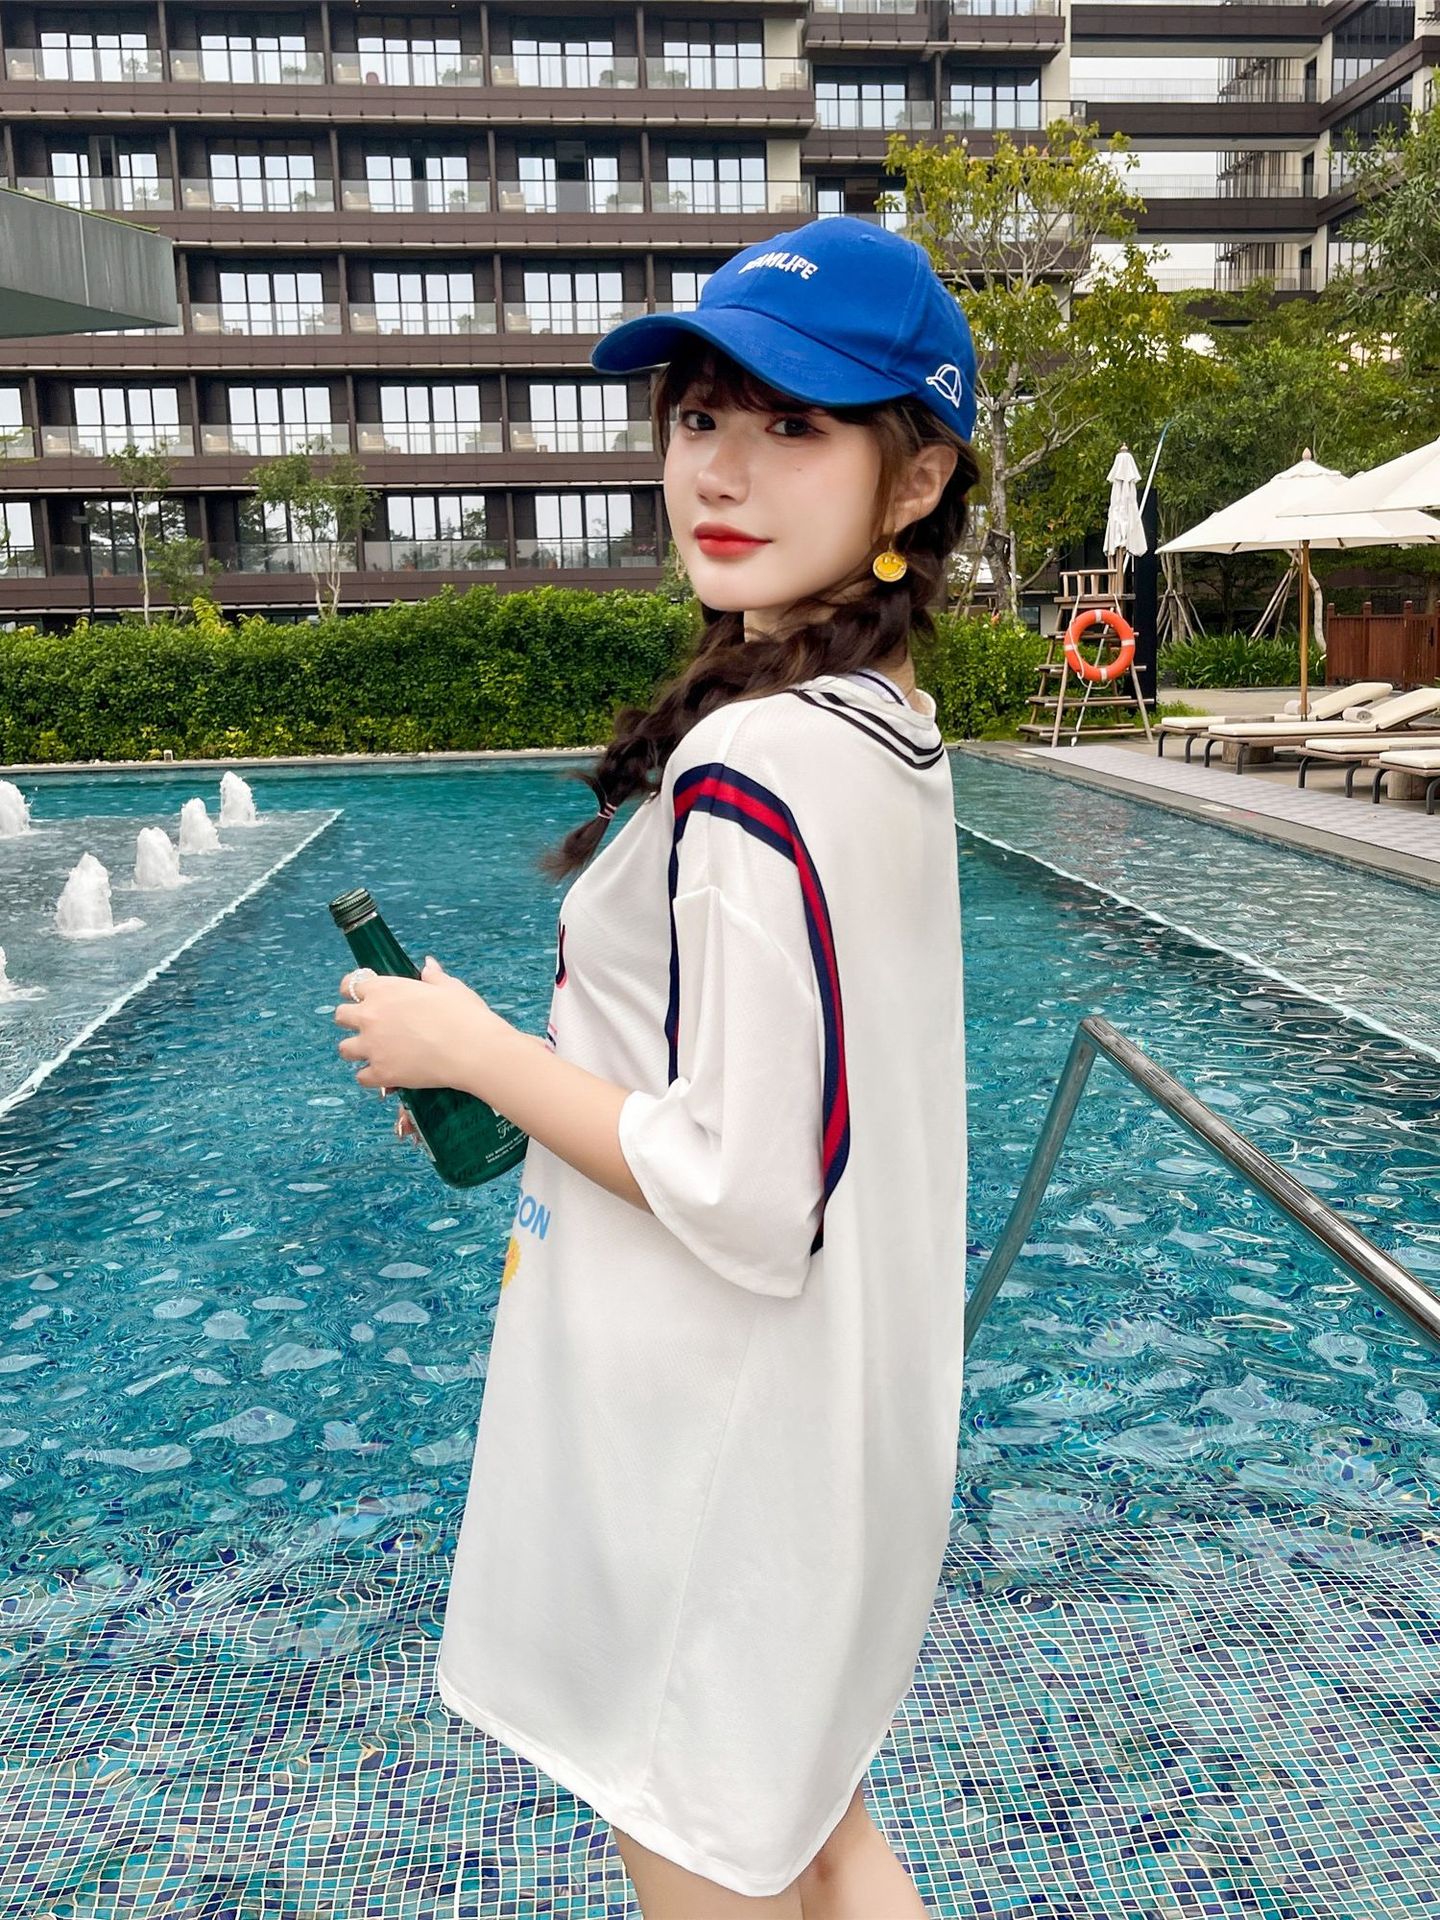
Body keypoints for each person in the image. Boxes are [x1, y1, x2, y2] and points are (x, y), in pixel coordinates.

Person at [334, 214, 980, 1919]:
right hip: (834, 1424)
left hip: (714, 1444)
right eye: (701, 415)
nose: (724, 469)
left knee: (712, 1838)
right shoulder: (881, 727)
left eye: (796, 425)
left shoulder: (759, 762)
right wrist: (515, 1070)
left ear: (915, 480)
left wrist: (474, 1049)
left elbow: (744, 1191)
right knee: (815, 1835)